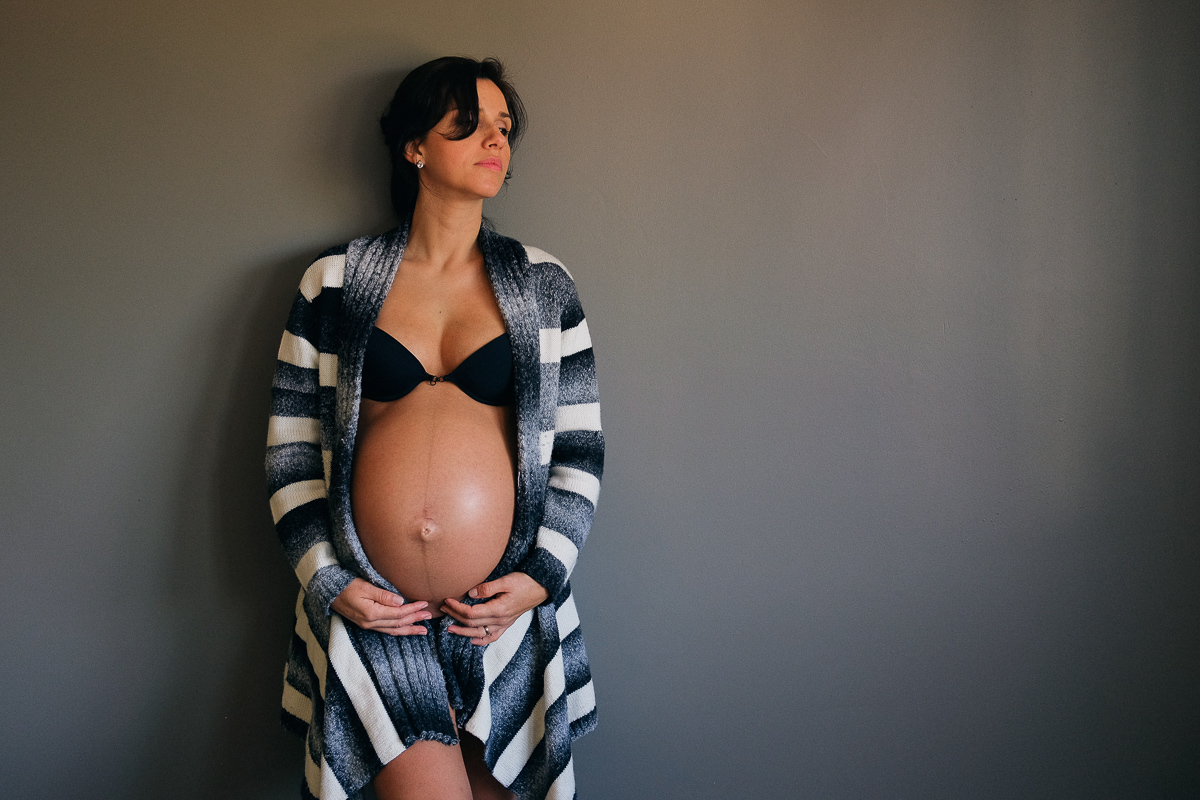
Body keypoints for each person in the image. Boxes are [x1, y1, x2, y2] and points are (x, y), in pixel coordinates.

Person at [265, 56, 603, 800]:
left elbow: (579, 453)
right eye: (472, 124)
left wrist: (538, 582)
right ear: (415, 146)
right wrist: (327, 583)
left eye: (504, 128)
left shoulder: (545, 286)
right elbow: (290, 453)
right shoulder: (334, 283)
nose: (496, 141)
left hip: (501, 617)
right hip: (376, 614)